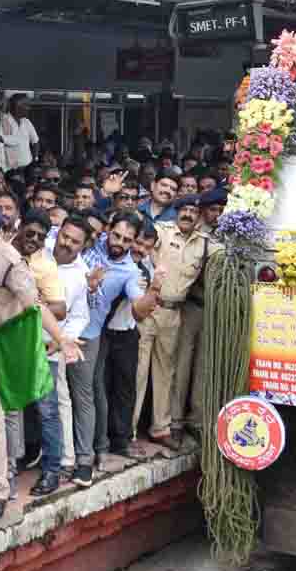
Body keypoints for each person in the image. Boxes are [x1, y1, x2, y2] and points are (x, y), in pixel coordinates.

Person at [0, 205, 75, 500]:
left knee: (4, 413)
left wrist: (61, 338)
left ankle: (5, 476)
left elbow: (35, 305)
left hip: (1, 346)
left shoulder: (10, 262)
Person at [72, 212, 163, 486]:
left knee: (86, 395)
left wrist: (154, 289)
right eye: (117, 236)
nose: (120, 243)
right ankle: (81, 452)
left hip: (88, 337)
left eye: (127, 240)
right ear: (107, 230)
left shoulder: (130, 273)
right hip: (55, 329)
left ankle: (86, 459)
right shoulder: (89, 244)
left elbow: (138, 311)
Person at [150, 196, 221, 449]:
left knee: (166, 372)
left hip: (175, 312)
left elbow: (225, 256)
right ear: (176, 212)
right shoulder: (162, 231)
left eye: (193, 210)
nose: (188, 214)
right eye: (184, 210)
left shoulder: (204, 244)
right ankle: (130, 435)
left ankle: (164, 427)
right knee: (139, 375)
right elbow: (144, 241)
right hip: (149, 307)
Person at [52, 215, 92, 478]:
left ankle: (66, 459)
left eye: (74, 241)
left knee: (60, 399)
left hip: (54, 345)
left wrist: (63, 341)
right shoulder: (40, 251)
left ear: (83, 246)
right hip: (20, 337)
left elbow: (79, 316)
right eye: (64, 236)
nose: (66, 243)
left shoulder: (81, 274)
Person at [130, 226, 157, 440]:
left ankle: (128, 432)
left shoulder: (145, 272)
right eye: (138, 243)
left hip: (130, 333)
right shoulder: (114, 261)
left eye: (147, 247)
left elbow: (141, 311)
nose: (140, 249)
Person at [4, 94, 39, 172]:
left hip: (27, 168)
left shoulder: (26, 122)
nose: (29, 108)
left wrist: (35, 160)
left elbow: (35, 141)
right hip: (9, 169)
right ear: (17, 105)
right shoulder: (3, 120)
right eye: (26, 105)